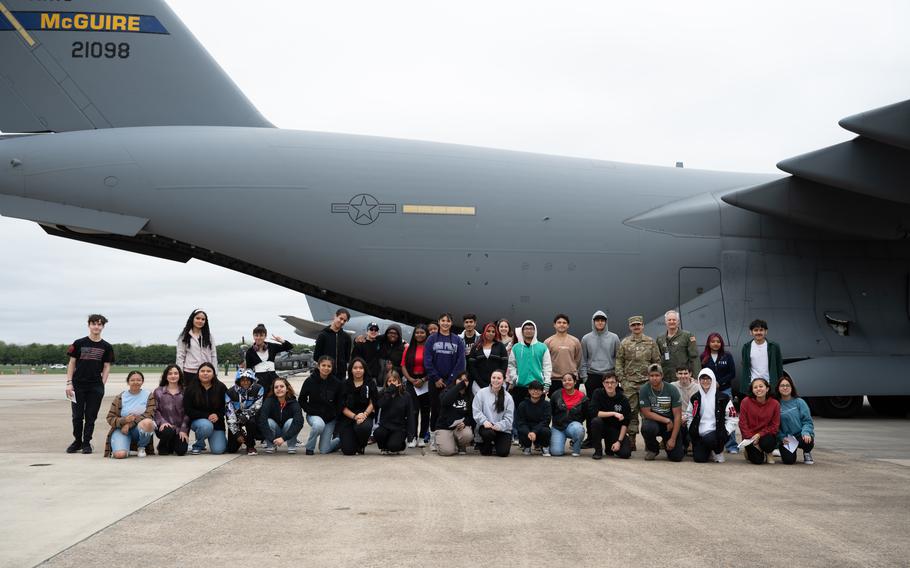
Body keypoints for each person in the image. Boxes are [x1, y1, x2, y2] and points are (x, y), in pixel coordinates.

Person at [65, 314, 114, 454]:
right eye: (94, 324)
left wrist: (102, 384)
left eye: (99, 324)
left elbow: (106, 367)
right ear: (89, 325)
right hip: (77, 385)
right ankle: (77, 441)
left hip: (95, 386)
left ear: (103, 327)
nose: (96, 327)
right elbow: (71, 363)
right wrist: (69, 383)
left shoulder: (107, 347)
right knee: (77, 416)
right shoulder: (78, 343)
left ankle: (86, 442)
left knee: (91, 416)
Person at [615, 315, 660, 451]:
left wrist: (654, 380)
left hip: (646, 383)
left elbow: (656, 362)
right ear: (630, 327)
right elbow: (619, 362)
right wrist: (622, 379)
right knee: (631, 412)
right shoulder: (625, 343)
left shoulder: (650, 342)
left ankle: (649, 441)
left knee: (647, 412)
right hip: (629, 383)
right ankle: (631, 440)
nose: (636, 327)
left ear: (642, 326)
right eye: (633, 325)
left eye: (638, 324)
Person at [425, 313, 466, 450]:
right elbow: (428, 360)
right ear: (438, 322)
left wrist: (451, 380)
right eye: (443, 320)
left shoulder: (457, 340)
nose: (445, 323)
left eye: (448, 321)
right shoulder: (431, 339)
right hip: (435, 381)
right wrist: (436, 378)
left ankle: (450, 437)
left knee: (450, 408)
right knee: (435, 409)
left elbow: (461, 361)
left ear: (451, 323)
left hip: (451, 382)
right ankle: (433, 438)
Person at [687, 369, 738, 463]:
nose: (705, 381)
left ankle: (718, 451)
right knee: (699, 459)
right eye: (702, 379)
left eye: (708, 379)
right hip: (699, 435)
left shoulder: (723, 398)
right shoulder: (695, 398)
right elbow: (689, 415)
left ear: (713, 380)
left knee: (709, 439)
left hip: (717, 433)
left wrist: (726, 431)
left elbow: (732, 417)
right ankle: (708, 450)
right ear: (699, 380)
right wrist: (691, 427)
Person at [701, 332, 738, 454]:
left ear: (721, 343)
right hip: (708, 391)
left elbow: (732, 373)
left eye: (718, 341)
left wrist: (719, 383)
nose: (715, 344)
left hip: (725, 390)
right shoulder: (703, 357)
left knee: (728, 417)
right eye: (713, 341)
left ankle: (732, 446)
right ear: (709, 343)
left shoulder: (727, 356)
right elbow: (701, 374)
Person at [104, 371, 156, 459]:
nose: (136, 382)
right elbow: (110, 417)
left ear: (142, 381)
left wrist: (129, 424)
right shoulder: (120, 397)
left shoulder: (148, 395)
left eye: (139, 380)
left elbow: (149, 414)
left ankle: (141, 447)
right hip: (122, 429)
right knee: (120, 455)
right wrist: (124, 421)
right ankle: (124, 448)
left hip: (138, 429)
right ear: (128, 382)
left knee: (148, 422)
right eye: (132, 380)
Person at [639, 364, 684, 461]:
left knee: (676, 457)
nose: (654, 378)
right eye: (651, 376)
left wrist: (672, 439)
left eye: (657, 375)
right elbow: (646, 413)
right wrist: (666, 420)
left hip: (670, 425)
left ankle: (668, 441)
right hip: (654, 421)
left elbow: (677, 415)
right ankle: (653, 449)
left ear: (662, 376)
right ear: (648, 376)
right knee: (646, 428)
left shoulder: (672, 389)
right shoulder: (644, 389)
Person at [299, 355, 343, 455]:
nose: (326, 368)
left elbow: (339, 402)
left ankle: (341, 440)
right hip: (314, 415)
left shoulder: (337, 383)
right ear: (318, 366)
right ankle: (309, 448)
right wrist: (310, 411)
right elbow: (302, 400)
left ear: (332, 368)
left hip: (330, 418)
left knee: (324, 450)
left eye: (329, 366)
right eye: (323, 365)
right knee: (319, 425)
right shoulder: (310, 381)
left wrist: (334, 415)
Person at [507, 320, 553, 412]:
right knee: (520, 413)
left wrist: (547, 383)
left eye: (531, 328)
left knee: (536, 413)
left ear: (535, 330)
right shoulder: (516, 347)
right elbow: (511, 365)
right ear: (522, 331)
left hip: (538, 387)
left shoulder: (542, 347)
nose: (528, 330)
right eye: (526, 329)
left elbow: (547, 366)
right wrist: (515, 378)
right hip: (520, 386)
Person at [184, 362, 228, 455]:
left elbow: (227, 407)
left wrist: (218, 415)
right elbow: (188, 409)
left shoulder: (221, 387)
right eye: (202, 371)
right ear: (198, 373)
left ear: (213, 373)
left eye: (209, 371)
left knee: (218, 450)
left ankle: (212, 436)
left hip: (217, 423)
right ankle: (198, 445)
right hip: (198, 422)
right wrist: (207, 416)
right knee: (206, 426)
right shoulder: (191, 388)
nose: (205, 373)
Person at [588, 372, 632, 460]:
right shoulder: (598, 393)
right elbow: (594, 412)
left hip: (615, 429)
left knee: (625, 453)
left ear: (617, 384)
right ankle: (598, 450)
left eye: (612, 382)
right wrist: (613, 413)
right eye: (607, 382)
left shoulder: (623, 399)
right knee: (596, 421)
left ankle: (609, 446)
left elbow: (625, 423)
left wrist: (619, 442)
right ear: (603, 384)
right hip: (601, 427)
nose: (609, 385)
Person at [339, 357, 377, 455]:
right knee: (348, 451)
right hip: (348, 417)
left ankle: (361, 444)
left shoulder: (370, 383)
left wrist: (364, 414)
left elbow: (373, 402)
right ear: (351, 370)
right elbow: (342, 406)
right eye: (355, 368)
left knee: (362, 428)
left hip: (365, 416)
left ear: (364, 369)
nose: (358, 370)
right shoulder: (344, 384)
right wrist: (355, 417)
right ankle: (349, 440)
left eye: (361, 368)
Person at [401, 324, 431, 448]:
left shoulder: (430, 348)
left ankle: (422, 437)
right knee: (412, 411)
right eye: (417, 332)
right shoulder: (408, 348)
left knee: (425, 411)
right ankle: (411, 437)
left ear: (426, 334)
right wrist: (411, 380)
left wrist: (423, 379)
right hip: (411, 382)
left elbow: (433, 366)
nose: (419, 335)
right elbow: (403, 365)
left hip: (426, 382)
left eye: (422, 333)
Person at [472, 370, 514, 457]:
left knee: (503, 453)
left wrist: (499, 426)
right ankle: (487, 445)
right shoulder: (481, 393)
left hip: (502, 429)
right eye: (493, 377)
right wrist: (484, 421)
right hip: (486, 427)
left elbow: (509, 418)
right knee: (487, 447)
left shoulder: (508, 397)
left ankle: (497, 444)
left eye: (499, 378)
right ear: (490, 379)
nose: (496, 380)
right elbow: (476, 411)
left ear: (503, 380)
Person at [257, 377, 304, 454]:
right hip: (275, 432)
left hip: (287, 430)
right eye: (276, 387)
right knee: (269, 421)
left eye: (282, 386)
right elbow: (262, 420)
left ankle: (291, 446)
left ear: (287, 389)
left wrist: (283, 438)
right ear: (273, 390)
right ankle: (271, 445)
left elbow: (299, 422)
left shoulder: (293, 402)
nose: (279, 389)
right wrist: (272, 439)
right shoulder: (269, 401)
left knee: (291, 421)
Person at [579, 310, 620, 399]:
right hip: (592, 376)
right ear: (593, 322)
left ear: (606, 322)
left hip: (610, 375)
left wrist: (617, 376)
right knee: (593, 404)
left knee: (610, 402)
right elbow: (583, 359)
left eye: (602, 320)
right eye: (597, 320)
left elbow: (619, 358)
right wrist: (585, 378)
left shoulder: (614, 337)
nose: (600, 322)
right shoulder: (586, 338)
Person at [776, 373, 815, 465]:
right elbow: (774, 425)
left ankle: (807, 452)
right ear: (778, 388)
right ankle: (791, 451)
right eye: (782, 386)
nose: (785, 388)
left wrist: (806, 432)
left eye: (787, 385)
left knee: (807, 441)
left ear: (792, 387)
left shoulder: (799, 402)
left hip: (800, 435)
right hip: (787, 438)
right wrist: (781, 438)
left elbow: (807, 421)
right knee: (789, 461)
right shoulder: (775, 404)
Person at [739, 378, 780, 464]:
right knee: (758, 461)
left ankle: (769, 453)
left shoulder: (775, 404)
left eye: (761, 386)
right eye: (755, 387)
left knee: (767, 443)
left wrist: (759, 435)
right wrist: (751, 438)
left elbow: (775, 426)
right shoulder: (745, 402)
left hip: (765, 435)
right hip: (750, 437)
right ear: (752, 390)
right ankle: (748, 451)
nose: (758, 389)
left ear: (767, 389)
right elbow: (742, 423)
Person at [244, 323, 293, 394]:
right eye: (256, 335)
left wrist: (281, 341)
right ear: (253, 336)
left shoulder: (272, 346)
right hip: (259, 380)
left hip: (273, 377)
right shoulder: (250, 351)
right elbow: (249, 369)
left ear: (265, 336)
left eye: (261, 335)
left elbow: (289, 347)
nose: (258, 338)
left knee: (284, 393)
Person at [739, 319, 784, 396]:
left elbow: (779, 366)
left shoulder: (774, 346)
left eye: (761, 330)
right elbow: (745, 366)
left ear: (766, 331)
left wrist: (780, 384)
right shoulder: (746, 347)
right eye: (756, 330)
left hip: (770, 386)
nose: (758, 332)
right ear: (751, 332)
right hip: (753, 386)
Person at [225, 368, 264, 455]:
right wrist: (237, 433)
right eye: (242, 380)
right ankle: (243, 435)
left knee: (251, 422)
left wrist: (246, 416)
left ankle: (250, 445)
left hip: (251, 417)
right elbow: (229, 414)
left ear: (252, 380)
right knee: (231, 449)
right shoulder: (229, 392)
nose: (245, 382)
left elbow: (258, 405)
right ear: (238, 381)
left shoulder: (259, 389)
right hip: (235, 419)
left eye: (248, 380)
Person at [374, 370, 414, 454]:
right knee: (377, 433)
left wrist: (411, 435)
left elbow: (410, 415)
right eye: (389, 381)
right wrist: (389, 391)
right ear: (386, 382)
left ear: (399, 381)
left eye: (394, 381)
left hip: (399, 428)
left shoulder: (406, 395)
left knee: (393, 446)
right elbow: (379, 404)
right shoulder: (383, 393)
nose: (392, 383)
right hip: (385, 426)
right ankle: (384, 447)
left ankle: (401, 444)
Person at [154, 365, 190, 456]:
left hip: (180, 428)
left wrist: (183, 429)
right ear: (166, 376)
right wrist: (162, 422)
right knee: (168, 432)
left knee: (181, 451)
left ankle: (172, 443)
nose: (173, 376)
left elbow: (188, 412)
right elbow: (155, 409)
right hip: (164, 428)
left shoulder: (186, 391)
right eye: (170, 374)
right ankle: (162, 446)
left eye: (175, 373)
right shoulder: (158, 391)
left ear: (180, 375)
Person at [176, 309, 218, 387]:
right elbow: (180, 356)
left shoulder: (209, 336)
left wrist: (215, 372)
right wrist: (180, 374)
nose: (200, 321)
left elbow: (213, 355)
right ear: (192, 319)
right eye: (197, 318)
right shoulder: (184, 336)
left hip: (206, 372)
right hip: (189, 372)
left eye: (203, 319)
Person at [544, 314, 583, 397]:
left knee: (573, 405)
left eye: (564, 323)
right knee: (555, 405)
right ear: (554, 325)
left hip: (572, 379)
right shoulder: (548, 342)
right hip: (554, 380)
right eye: (559, 322)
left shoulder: (575, 341)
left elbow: (578, 359)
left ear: (568, 325)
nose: (562, 324)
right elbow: (545, 361)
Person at [550, 373, 588, 457]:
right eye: (564, 380)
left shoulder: (582, 396)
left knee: (579, 429)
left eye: (570, 380)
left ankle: (576, 449)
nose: (567, 382)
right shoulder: (556, 395)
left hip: (573, 426)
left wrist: (578, 422)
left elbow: (586, 413)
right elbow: (551, 411)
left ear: (575, 382)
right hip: (558, 427)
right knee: (556, 452)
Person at [436, 372, 474, 456]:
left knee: (468, 435)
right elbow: (445, 401)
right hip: (445, 427)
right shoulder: (447, 391)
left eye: (466, 380)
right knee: (447, 452)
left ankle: (460, 444)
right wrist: (459, 387)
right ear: (455, 380)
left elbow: (472, 416)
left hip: (459, 428)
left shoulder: (470, 396)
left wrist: (465, 423)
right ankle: (445, 442)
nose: (462, 382)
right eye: (460, 379)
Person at [656, 309, 701, 379]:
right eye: (669, 320)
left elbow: (694, 358)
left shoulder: (687, 335)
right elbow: (657, 359)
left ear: (678, 322)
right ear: (665, 322)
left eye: (674, 320)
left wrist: (696, 377)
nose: (671, 322)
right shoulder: (660, 338)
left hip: (682, 377)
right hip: (665, 378)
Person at [466, 322, 508, 395]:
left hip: (497, 384)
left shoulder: (500, 346)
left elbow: (504, 365)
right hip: (478, 385)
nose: (491, 333)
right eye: (488, 331)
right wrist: (481, 383)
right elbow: (472, 367)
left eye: (493, 332)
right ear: (484, 332)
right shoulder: (476, 347)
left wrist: (497, 381)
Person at [515, 380, 551, 456]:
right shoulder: (523, 404)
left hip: (540, 428)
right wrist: (528, 432)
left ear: (542, 392)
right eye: (533, 389)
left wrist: (534, 431)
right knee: (522, 430)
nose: (535, 391)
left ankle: (544, 446)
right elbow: (520, 422)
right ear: (529, 390)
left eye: (538, 390)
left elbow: (546, 421)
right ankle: (526, 446)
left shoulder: (546, 404)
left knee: (546, 431)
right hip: (528, 429)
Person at [314, 308, 352, 380]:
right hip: (326, 376)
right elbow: (316, 357)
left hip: (341, 377)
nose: (342, 322)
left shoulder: (347, 337)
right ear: (335, 316)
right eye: (340, 318)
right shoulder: (323, 335)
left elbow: (347, 358)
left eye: (344, 320)